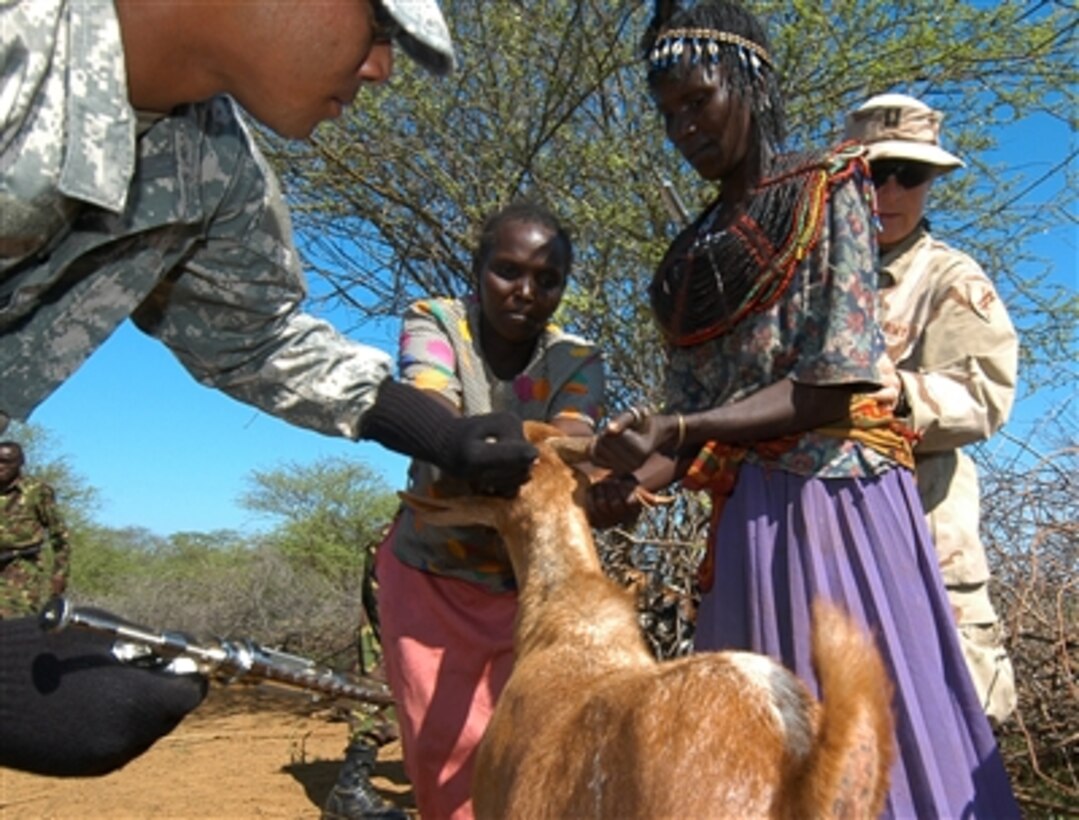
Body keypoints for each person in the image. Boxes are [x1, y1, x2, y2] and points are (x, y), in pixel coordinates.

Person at [0, 0, 538, 778]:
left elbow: (257, 334)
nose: (380, 69)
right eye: (378, 30)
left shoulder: (214, 169)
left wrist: (437, 433)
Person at [590, 2, 1019, 816]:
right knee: (754, 755)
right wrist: (624, 483)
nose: (683, 127)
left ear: (750, 80)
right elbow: (684, 420)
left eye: (698, 99)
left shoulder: (830, 192)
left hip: (840, 508)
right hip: (746, 525)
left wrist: (679, 432)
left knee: (867, 743)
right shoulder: (685, 259)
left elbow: (831, 382)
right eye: (667, 112)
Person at [375, 201, 607, 820]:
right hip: (432, 580)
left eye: (547, 279)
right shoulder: (435, 322)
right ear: (477, 270)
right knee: (448, 767)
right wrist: (550, 453)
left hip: (531, 592)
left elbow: (572, 435)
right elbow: (434, 411)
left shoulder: (576, 358)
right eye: (507, 270)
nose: (526, 291)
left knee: (538, 759)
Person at [845, 93, 1019, 725]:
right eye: (873, 172)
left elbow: (986, 394)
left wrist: (900, 394)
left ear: (931, 183)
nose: (889, 189)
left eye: (910, 174)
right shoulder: (808, 281)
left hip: (927, 544)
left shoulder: (952, 279)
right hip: (831, 549)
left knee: (948, 735)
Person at [322, 532, 405, 820]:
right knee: (397, 662)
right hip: (427, 551)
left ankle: (350, 783)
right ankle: (350, 785)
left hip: (414, 542)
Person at [0, 441, 71, 618]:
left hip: (20, 569)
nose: (1, 466)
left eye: (7, 461)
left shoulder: (36, 491)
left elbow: (60, 536)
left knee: (14, 627)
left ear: (20, 463)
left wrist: (60, 574)